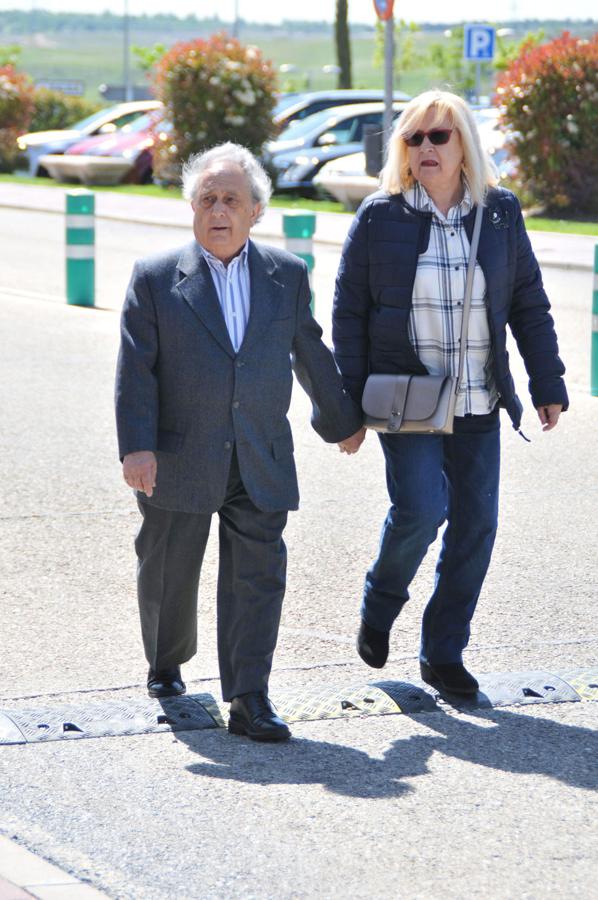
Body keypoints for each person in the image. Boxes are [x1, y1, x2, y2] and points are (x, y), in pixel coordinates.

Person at [115, 142, 363, 741]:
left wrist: (342, 419)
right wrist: (136, 446)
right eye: (207, 199)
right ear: (192, 209)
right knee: (169, 569)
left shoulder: (286, 275)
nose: (217, 210)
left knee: (258, 576)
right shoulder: (155, 278)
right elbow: (135, 368)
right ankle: (166, 661)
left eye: (231, 199)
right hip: (178, 453)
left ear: (256, 210)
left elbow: (309, 350)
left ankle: (249, 697)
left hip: (260, 453)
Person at [333, 91, 568, 695]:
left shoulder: (500, 213)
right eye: (414, 138)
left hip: (477, 399)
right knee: (420, 508)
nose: (426, 148)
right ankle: (381, 600)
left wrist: (546, 381)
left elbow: (527, 303)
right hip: (407, 395)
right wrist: (344, 406)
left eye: (439, 136)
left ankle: (442, 652)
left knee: (475, 526)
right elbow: (349, 313)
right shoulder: (380, 215)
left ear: (464, 143)